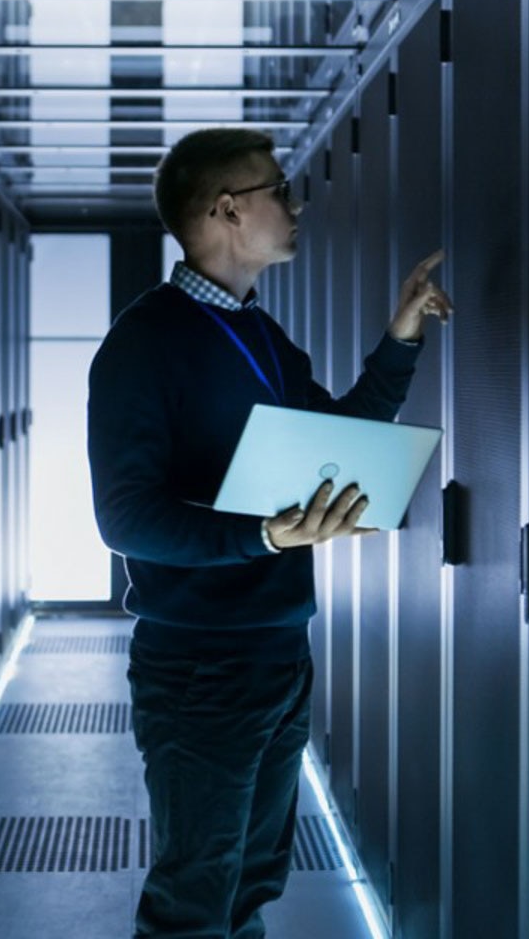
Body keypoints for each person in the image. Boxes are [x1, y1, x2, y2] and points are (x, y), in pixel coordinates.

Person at [86, 127, 451, 937]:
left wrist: (402, 336)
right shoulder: (143, 344)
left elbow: (341, 434)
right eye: (278, 190)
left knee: (251, 881)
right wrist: (265, 538)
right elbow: (125, 519)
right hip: (199, 666)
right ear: (226, 209)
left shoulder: (259, 334)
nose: (294, 205)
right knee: (195, 898)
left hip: (277, 650)